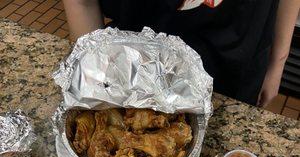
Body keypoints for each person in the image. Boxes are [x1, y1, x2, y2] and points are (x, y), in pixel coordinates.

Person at [62, 0, 300, 107]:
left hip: (236, 68)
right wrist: (93, 77)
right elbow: (83, 3)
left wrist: (278, 61)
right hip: (133, 74)